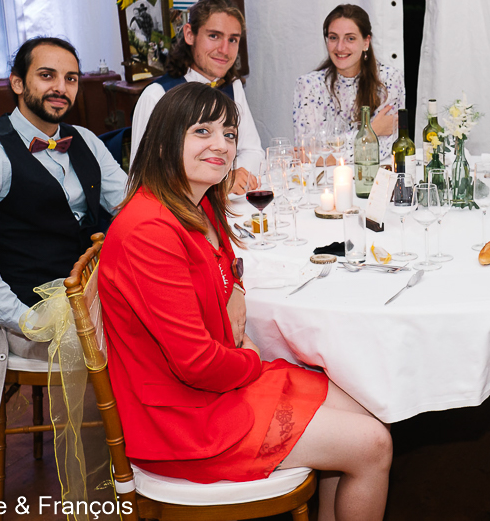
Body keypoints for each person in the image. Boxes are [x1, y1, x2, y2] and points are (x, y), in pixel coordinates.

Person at [99, 82, 391, 521]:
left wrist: (234, 289)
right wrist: (252, 359)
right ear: (162, 142)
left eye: (229, 134)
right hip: (184, 420)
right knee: (373, 444)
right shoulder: (148, 231)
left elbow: (226, 265)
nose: (221, 145)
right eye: (202, 131)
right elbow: (197, 364)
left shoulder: (195, 203)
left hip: (215, 386)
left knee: (370, 411)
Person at [0, 36, 126, 336]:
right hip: (33, 313)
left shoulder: (85, 139)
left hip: (93, 295)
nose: (61, 88)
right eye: (47, 75)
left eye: (71, 78)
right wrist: (24, 320)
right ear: (18, 83)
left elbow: (131, 204)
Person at [130, 0, 265, 192]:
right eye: (214, 36)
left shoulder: (233, 87)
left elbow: (253, 151)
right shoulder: (157, 95)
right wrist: (221, 181)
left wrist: (234, 176)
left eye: (233, 40)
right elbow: (143, 178)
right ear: (189, 34)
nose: (224, 50)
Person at [292, 4, 405, 162]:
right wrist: (372, 130)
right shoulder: (308, 85)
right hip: (323, 177)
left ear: (366, 42)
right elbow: (307, 155)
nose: (340, 47)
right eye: (333, 38)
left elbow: (385, 148)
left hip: (375, 174)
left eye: (350, 38)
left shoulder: (389, 80)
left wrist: (328, 153)